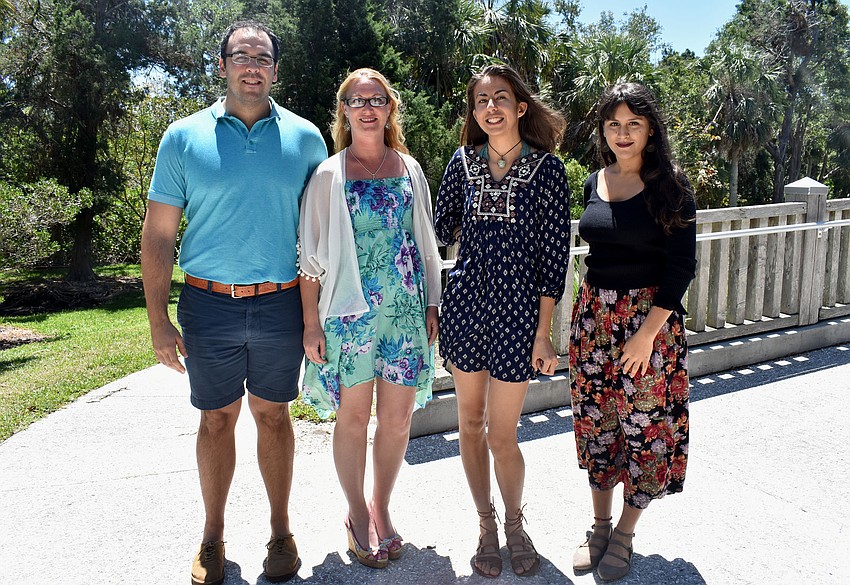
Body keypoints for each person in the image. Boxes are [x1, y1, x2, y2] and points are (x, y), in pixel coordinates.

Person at [141, 20, 327, 585]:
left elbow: (323, 232)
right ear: (221, 65)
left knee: (273, 417)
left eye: (263, 57)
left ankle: (280, 533)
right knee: (216, 421)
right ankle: (212, 537)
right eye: (241, 55)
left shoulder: (306, 139)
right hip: (208, 304)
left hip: (279, 304)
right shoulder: (182, 137)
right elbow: (158, 235)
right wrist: (157, 320)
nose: (252, 66)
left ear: (275, 70)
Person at [298, 68, 441, 569]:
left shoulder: (409, 168)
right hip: (348, 316)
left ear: (389, 108)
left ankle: (382, 505)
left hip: (402, 311)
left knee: (398, 419)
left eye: (376, 99)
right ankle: (356, 512)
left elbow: (424, 245)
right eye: (357, 99)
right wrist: (310, 324)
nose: (367, 107)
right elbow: (309, 257)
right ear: (344, 110)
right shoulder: (327, 175)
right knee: (355, 418)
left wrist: (430, 306)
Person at [434, 64, 571, 578]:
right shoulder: (460, 163)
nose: (490, 107)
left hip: (518, 314)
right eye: (480, 100)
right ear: (474, 112)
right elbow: (439, 229)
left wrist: (543, 332)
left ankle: (516, 524)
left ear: (520, 106)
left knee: (501, 435)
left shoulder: (547, 170)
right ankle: (486, 526)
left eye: (500, 97)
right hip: (466, 306)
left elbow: (553, 257)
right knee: (469, 424)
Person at [568, 82, 696, 581]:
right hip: (592, 322)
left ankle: (624, 533)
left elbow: (682, 265)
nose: (623, 134)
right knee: (597, 424)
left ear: (650, 130)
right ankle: (599, 526)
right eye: (614, 124)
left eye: (633, 125)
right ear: (603, 129)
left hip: (649, 325)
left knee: (645, 429)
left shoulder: (671, 185)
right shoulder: (593, 181)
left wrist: (646, 334)